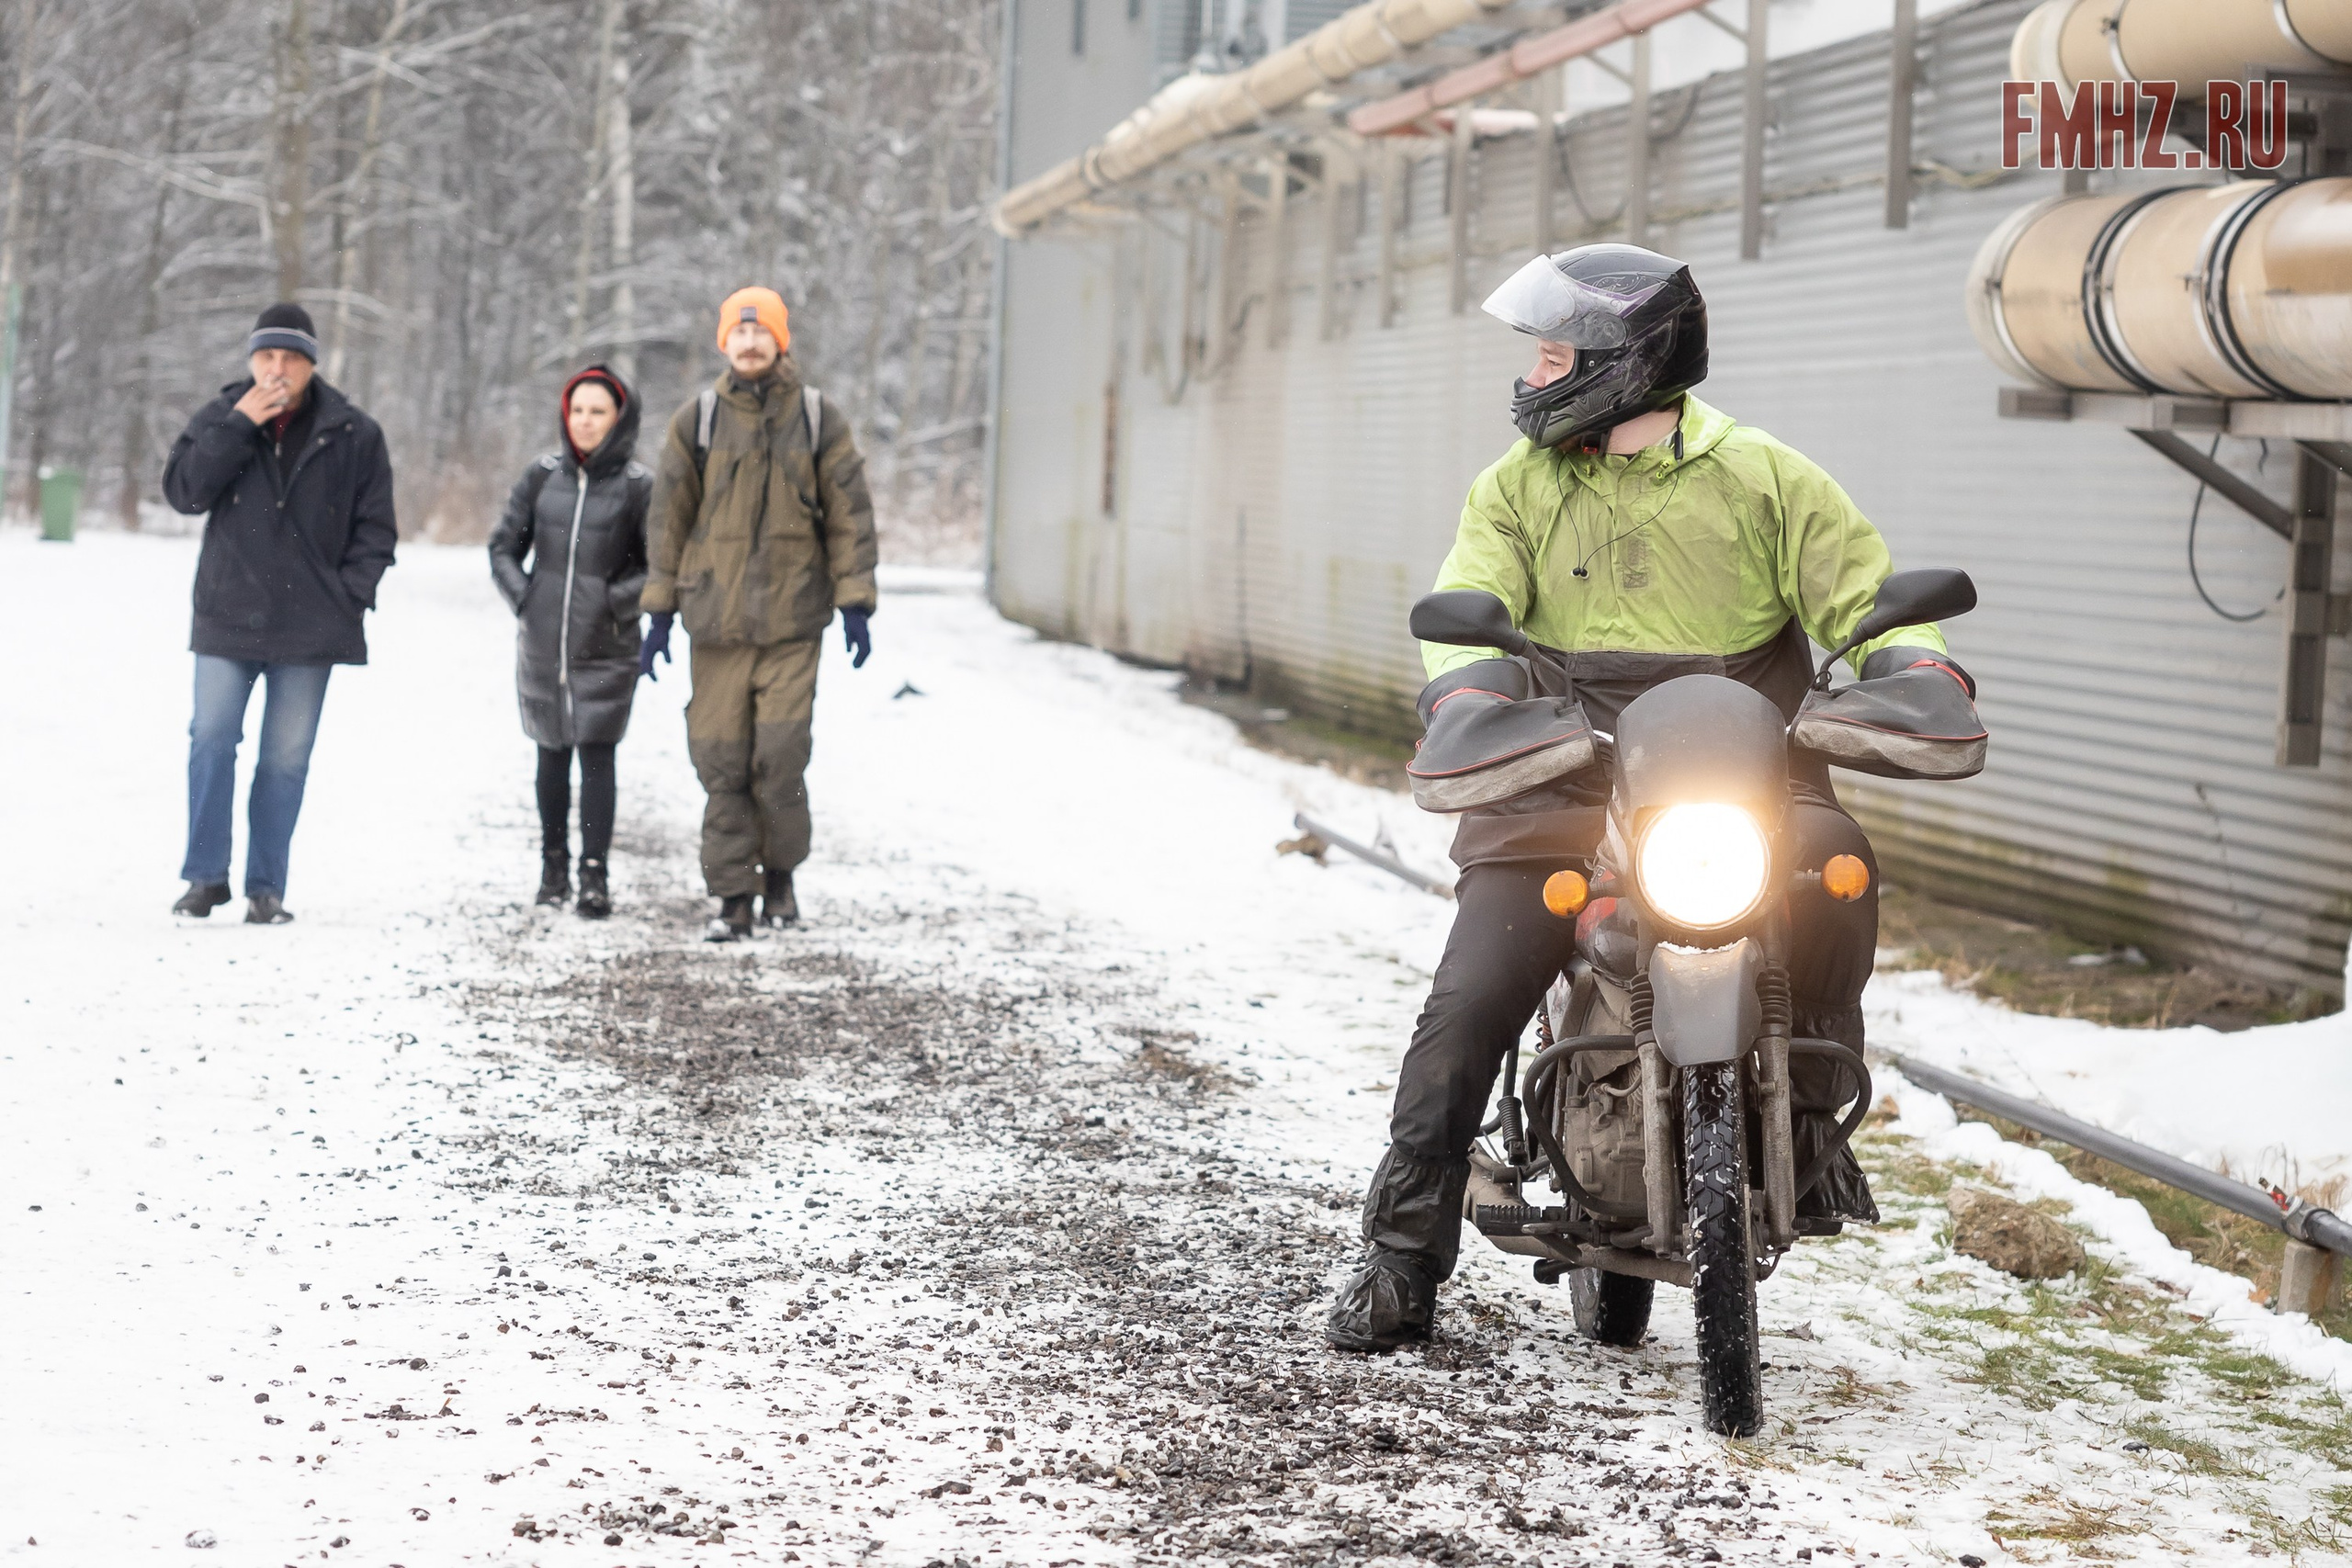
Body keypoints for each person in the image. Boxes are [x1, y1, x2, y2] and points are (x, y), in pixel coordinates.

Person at [1324, 244, 1975, 1351]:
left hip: (1750, 778)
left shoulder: (1767, 477)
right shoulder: (1515, 488)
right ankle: (1398, 1254)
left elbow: (1871, 599)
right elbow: (1469, 607)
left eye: (1548, 357)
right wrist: (1473, 693)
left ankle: (1811, 1126)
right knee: (1470, 996)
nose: (1531, 380)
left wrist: (1914, 668)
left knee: (1842, 882)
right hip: (1563, 772)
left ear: (1623, 365)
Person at [639, 286, 877, 942]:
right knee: (721, 759)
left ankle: (780, 877)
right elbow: (667, 521)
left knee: (779, 756)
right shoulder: (698, 421)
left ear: (781, 339)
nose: (749, 343)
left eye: (761, 332)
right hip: (714, 622)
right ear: (724, 340)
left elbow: (851, 512)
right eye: (738, 333)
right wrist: (658, 611)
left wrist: (855, 599)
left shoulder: (819, 418)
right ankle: (732, 896)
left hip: (793, 622)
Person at [163, 302, 397, 925]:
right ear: (250, 360)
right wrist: (239, 424)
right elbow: (185, 492)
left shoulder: (355, 432)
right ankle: (204, 877)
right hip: (227, 613)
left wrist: (349, 594)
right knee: (211, 741)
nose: (277, 369)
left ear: (312, 365)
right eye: (266, 356)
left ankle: (266, 888)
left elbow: (377, 529)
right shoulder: (222, 415)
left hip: (313, 625)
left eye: (290, 357)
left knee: (285, 759)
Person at [488, 366, 651, 919]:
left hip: (605, 645)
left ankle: (594, 875)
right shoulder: (541, 476)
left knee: (597, 756)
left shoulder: (638, 488)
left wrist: (612, 603)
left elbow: (660, 567)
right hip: (543, 643)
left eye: (597, 411)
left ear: (619, 419)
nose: (585, 421)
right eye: (577, 410)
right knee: (550, 752)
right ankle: (552, 868)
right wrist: (527, 599)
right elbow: (503, 547)